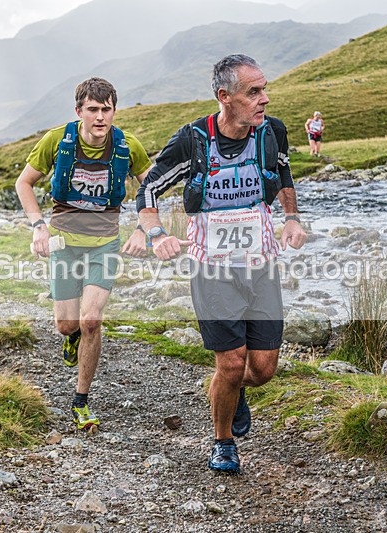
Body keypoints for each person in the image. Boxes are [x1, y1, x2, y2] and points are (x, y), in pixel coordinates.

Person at [135, 54, 307, 474]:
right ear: (224, 97)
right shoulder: (193, 139)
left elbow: (283, 175)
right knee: (231, 363)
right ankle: (223, 441)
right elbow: (148, 190)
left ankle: (230, 390)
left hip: (261, 264)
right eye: (254, 92)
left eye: (264, 89)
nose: (264, 99)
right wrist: (156, 234)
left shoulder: (272, 132)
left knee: (261, 370)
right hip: (211, 269)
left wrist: (292, 219)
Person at [15, 78, 152, 432]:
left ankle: (81, 401)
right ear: (79, 111)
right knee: (66, 325)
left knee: (92, 320)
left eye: (107, 110)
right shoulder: (58, 141)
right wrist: (38, 226)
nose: (100, 117)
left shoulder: (127, 146)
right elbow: (24, 182)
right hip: (63, 243)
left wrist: (143, 228)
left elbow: (152, 186)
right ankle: (72, 336)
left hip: (104, 245)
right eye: (93, 109)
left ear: (114, 111)